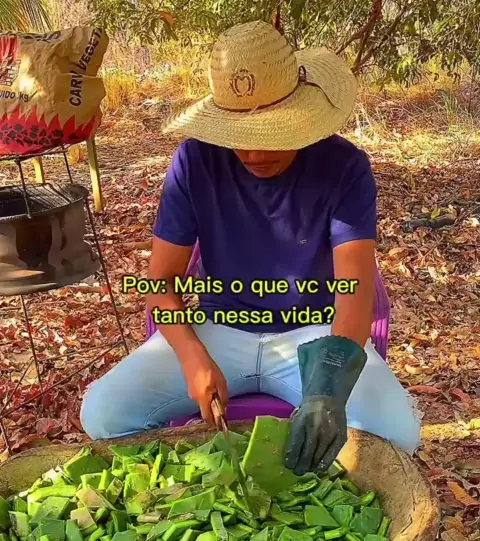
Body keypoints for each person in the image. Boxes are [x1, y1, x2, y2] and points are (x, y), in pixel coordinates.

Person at [81, 19, 420, 475]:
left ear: (300, 116)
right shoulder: (195, 160)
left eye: (270, 134)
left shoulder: (344, 166)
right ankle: (194, 488)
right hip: (219, 328)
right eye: (240, 136)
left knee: (397, 434)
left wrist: (326, 389)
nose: (255, 154)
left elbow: (355, 290)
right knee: (104, 413)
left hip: (313, 334)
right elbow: (160, 283)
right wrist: (193, 358)